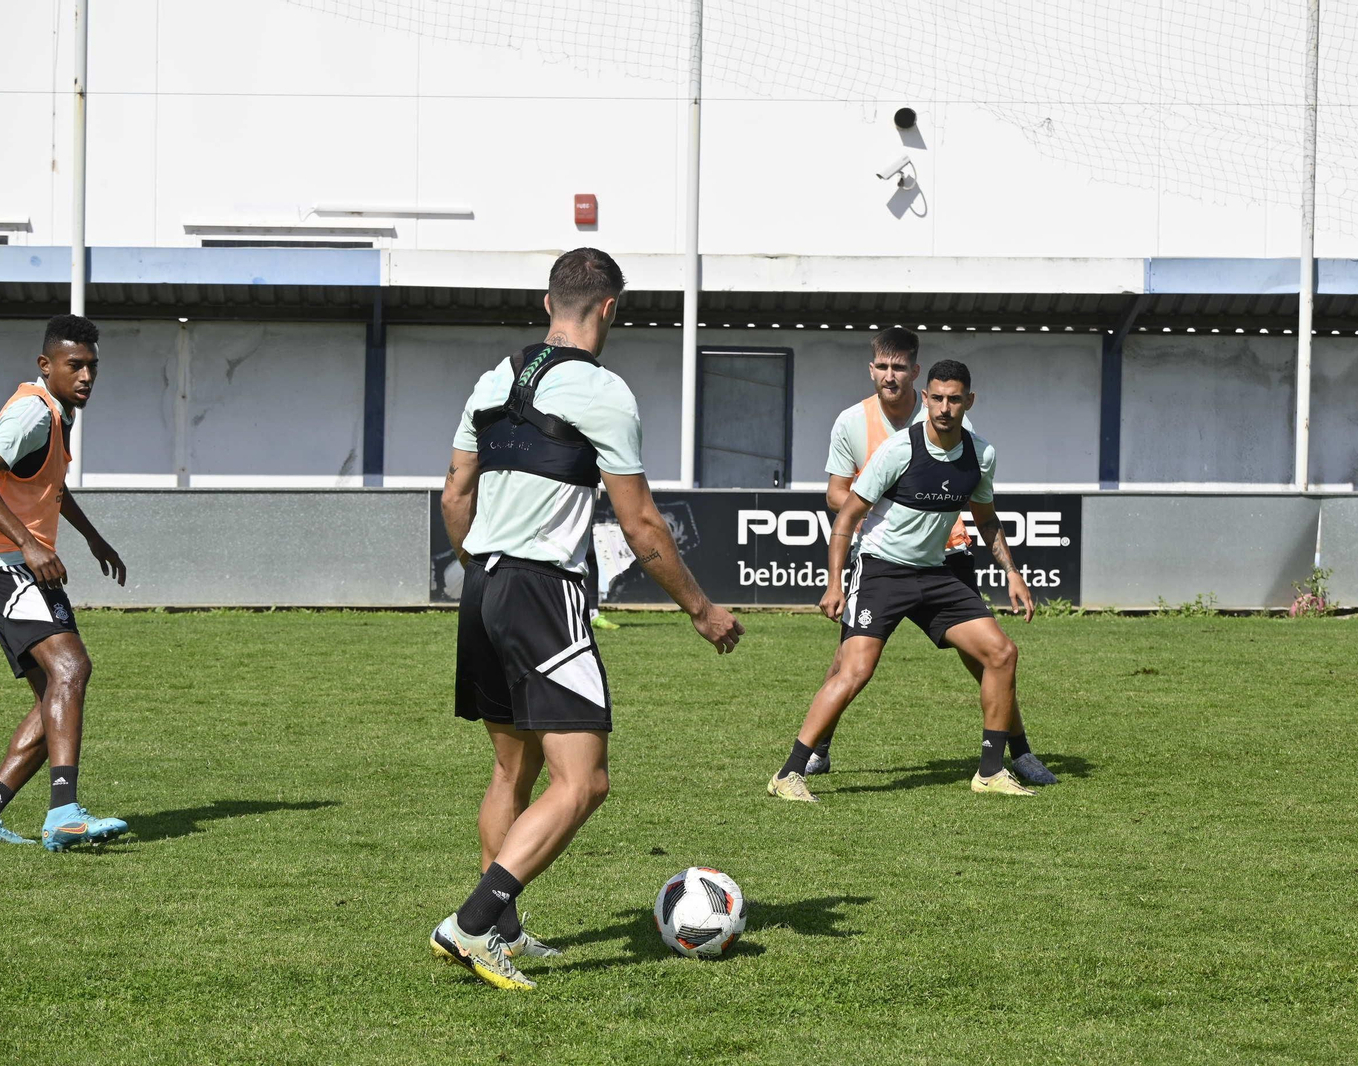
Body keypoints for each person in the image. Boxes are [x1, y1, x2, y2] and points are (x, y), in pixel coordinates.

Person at [433, 248, 745, 990]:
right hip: (542, 592)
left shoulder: (493, 378)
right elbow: (640, 524)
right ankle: (471, 926)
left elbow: (454, 493)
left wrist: (479, 569)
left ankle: (502, 934)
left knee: (516, 766)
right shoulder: (604, 393)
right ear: (609, 309)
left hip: (482, 586)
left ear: (550, 305)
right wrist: (700, 610)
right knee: (586, 780)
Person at [769, 360, 1040, 803]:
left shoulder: (981, 455)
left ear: (968, 402)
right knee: (854, 668)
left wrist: (1013, 574)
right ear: (926, 399)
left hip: (936, 575)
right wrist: (835, 581)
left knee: (1001, 653)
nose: (945, 408)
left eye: (955, 399)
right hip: (881, 570)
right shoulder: (899, 450)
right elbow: (848, 515)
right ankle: (789, 772)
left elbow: (986, 520)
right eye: (937, 398)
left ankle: (991, 771)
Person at [0, 314, 130, 851]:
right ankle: (64, 812)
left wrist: (94, 538)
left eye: (93, 367)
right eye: (75, 366)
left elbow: (50, 487)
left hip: (19, 563)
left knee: (56, 693)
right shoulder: (32, 411)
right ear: (45, 365)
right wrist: (29, 544)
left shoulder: (57, 414)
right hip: (5, 563)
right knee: (72, 667)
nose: (86, 377)